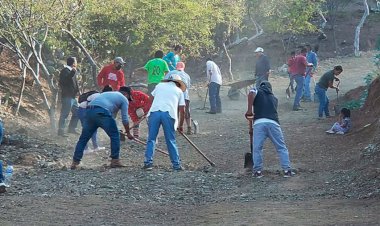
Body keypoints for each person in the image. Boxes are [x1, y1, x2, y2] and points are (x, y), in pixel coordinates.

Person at [71, 87, 134, 170]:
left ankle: (75, 162)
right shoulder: (123, 99)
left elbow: (112, 117)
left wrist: (115, 129)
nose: (128, 100)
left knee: (84, 138)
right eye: (128, 98)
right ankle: (115, 161)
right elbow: (125, 119)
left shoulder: (108, 95)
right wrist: (128, 133)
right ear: (126, 94)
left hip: (89, 111)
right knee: (115, 136)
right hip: (102, 112)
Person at [245, 81, 293, 178]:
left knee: (257, 148)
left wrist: (249, 111)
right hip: (274, 124)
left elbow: (251, 93)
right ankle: (287, 170)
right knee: (281, 147)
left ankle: (257, 172)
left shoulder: (257, 90)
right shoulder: (274, 99)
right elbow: (267, 111)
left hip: (259, 124)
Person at [143, 73, 186, 171]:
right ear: (178, 83)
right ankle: (176, 165)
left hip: (154, 113)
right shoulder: (179, 91)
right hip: (168, 114)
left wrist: (150, 109)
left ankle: (148, 163)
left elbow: (151, 98)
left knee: (151, 138)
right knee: (170, 140)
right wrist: (181, 125)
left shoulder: (159, 86)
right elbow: (182, 109)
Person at [77, 86, 112, 153]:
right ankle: (85, 149)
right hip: (84, 111)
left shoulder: (99, 96)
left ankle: (95, 147)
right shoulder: (99, 97)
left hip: (83, 110)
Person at [164, 62, 192, 134]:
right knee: (186, 112)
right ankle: (189, 128)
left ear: (176, 67)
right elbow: (188, 87)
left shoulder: (171, 73)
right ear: (183, 68)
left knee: (175, 112)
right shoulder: (187, 75)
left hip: (174, 95)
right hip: (184, 95)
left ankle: (175, 128)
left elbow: (165, 82)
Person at [58, 57, 80, 137]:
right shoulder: (65, 71)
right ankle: (61, 131)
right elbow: (64, 81)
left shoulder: (72, 71)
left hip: (73, 96)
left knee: (77, 112)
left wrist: (78, 91)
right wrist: (72, 73)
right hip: (67, 95)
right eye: (76, 62)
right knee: (65, 113)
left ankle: (72, 128)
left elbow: (75, 83)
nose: (77, 63)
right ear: (73, 63)